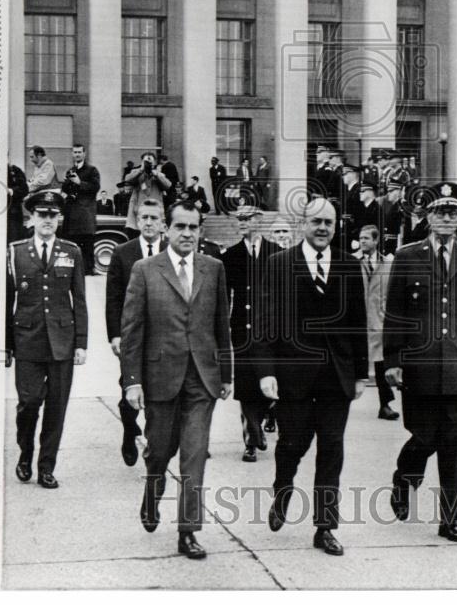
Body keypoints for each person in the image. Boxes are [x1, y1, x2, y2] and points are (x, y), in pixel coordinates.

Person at [120, 200, 233, 560]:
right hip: (160, 378)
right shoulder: (144, 269)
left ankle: (188, 531)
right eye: (180, 227)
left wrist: (227, 373)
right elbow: (132, 329)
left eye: (193, 227)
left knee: (194, 456)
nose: (187, 234)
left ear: (201, 231)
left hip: (202, 379)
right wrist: (132, 381)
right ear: (167, 229)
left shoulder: (213, 268)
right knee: (159, 451)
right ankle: (153, 490)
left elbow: (221, 326)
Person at [256, 198, 368, 557]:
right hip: (294, 376)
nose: (323, 228)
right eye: (317, 221)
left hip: (337, 376)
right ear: (303, 223)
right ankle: (283, 488)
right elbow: (264, 323)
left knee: (332, 449)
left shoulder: (350, 266)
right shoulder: (278, 265)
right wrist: (266, 372)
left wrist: (362, 373)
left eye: (329, 223)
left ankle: (325, 526)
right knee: (293, 444)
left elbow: (357, 323)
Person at [383, 182, 457, 543]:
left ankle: (450, 518)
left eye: (452, 212)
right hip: (419, 364)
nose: (446, 218)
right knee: (424, 436)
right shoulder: (407, 256)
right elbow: (395, 314)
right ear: (428, 217)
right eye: (440, 212)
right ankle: (405, 478)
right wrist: (392, 361)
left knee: (455, 443)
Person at [5, 190, 88, 490]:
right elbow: (7, 301)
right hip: (27, 340)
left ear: (60, 219)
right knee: (28, 403)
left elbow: (79, 299)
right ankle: (25, 452)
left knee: (56, 407)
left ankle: (46, 466)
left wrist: (81, 343)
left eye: (53, 216)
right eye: (42, 215)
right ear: (31, 218)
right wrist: (6, 346)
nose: (48, 221)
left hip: (62, 342)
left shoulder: (72, 252)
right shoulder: (15, 252)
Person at [105, 199, 167, 466]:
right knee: (128, 388)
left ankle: (154, 444)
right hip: (132, 334)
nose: (149, 223)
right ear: (137, 221)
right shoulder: (123, 252)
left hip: (164, 335)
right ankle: (130, 430)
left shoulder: (171, 251)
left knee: (159, 393)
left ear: (163, 222)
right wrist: (115, 335)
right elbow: (114, 297)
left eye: (154, 218)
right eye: (144, 218)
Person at [222, 205, 280, 463]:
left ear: (259, 220)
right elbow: (224, 297)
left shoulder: (276, 253)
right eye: (239, 219)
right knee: (246, 386)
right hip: (243, 328)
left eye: (247, 219)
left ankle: (266, 416)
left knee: (267, 383)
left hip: (270, 330)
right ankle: (251, 439)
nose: (242, 223)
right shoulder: (230, 255)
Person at [353, 224, 398, 420]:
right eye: (361, 238)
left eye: (366, 238)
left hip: (379, 321)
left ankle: (385, 404)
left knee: (381, 365)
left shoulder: (388, 263)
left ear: (376, 240)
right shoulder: (352, 261)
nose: (363, 241)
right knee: (349, 363)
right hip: (357, 320)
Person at [60, 143, 101, 275]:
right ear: (72, 154)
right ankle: (73, 270)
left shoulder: (92, 170)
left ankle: (89, 270)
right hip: (71, 213)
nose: (77, 154)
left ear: (84, 154)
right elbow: (66, 188)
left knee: (87, 243)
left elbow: (95, 187)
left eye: (79, 152)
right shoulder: (70, 170)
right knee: (71, 243)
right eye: (75, 152)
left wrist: (79, 183)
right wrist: (67, 183)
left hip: (85, 213)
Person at [123, 151, 172, 239]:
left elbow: (168, 186)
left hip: (155, 210)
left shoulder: (159, 175)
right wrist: (140, 170)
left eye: (150, 161)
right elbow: (127, 180)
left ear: (155, 162)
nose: (148, 163)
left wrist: (156, 175)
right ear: (142, 162)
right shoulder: (136, 172)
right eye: (146, 161)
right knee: (136, 237)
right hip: (138, 211)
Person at [7, 162, 29, 242]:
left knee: (13, 238)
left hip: (13, 212)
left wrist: (11, 191)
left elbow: (24, 189)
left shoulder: (15, 171)